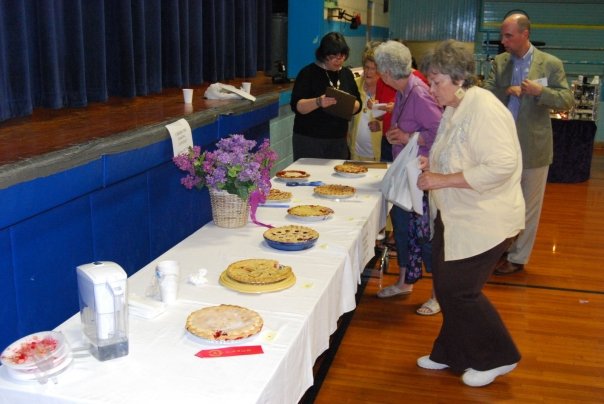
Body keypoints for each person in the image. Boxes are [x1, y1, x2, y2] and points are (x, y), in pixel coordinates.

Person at [416, 39, 524, 387]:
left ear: (459, 78)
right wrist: (429, 163)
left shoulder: (483, 108)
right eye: (430, 81)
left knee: (461, 292)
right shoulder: (454, 108)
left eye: (436, 82)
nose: (431, 89)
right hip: (456, 215)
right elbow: (457, 152)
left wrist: (442, 178)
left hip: (486, 219)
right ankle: (450, 353)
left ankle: (500, 357)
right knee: (447, 290)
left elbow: (502, 165)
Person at [483, 13, 573, 275]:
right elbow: (486, 93)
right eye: (503, 35)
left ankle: (518, 257)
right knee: (497, 201)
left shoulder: (550, 64)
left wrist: (540, 92)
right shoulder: (500, 62)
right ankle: (498, 249)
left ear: (525, 34)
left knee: (528, 207)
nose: (503, 41)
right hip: (500, 145)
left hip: (533, 146)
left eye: (508, 35)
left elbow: (566, 100)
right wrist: (505, 91)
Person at [373, 41, 442, 315]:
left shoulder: (419, 93)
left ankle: (438, 294)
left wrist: (408, 137)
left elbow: (441, 132)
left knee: (425, 235)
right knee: (402, 229)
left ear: (387, 73)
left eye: (379, 70)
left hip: (420, 174)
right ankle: (405, 282)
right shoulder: (403, 91)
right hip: (405, 172)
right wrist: (398, 134)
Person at [290, 32, 362, 160]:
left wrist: (348, 103)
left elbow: (358, 105)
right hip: (309, 139)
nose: (338, 60)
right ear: (323, 54)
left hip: (338, 140)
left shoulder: (346, 74)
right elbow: (297, 106)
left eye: (342, 56)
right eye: (334, 56)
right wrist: (318, 102)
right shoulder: (307, 73)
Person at [348, 43, 389, 161]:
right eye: (366, 67)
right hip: (355, 153)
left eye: (373, 68)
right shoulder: (354, 84)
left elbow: (396, 119)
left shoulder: (388, 89)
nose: (368, 72)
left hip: (379, 155)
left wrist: (381, 126)